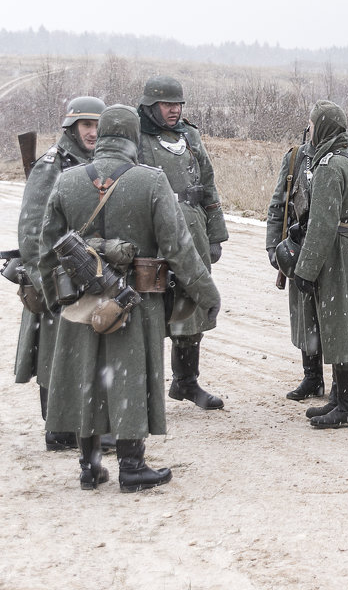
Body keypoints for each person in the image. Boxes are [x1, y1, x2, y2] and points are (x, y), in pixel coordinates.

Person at [38, 104, 221, 491]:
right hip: (135, 300)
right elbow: (180, 251)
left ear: (102, 135)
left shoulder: (67, 180)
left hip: (82, 300)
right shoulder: (151, 181)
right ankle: (132, 466)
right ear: (133, 137)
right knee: (130, 377)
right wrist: (206, 293)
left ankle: (90, 468)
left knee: (89, 375)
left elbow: (45, 251)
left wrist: (56, 299)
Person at [14, 96, 106, 452]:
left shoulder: (96, 162)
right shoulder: (52, 164)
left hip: (86, 271)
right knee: (52, 350)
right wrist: (46, 282)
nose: (93, 132)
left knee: (80, 350)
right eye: (86, 126)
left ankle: (79, 423)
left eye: (98, 126)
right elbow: (33, 229)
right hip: (56, 275)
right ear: (72, 128)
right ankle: (57, 427)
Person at [286, 101, 348, 429]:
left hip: (336, 253)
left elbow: (322, 225)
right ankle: (341, 400)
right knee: (346, 324)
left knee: (339, 326)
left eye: (311, 125)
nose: (308, 131)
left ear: (322, 127)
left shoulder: (328, 166)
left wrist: (305, 270)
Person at [137, 76, 228, 410]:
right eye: (167, 105)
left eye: (177, 104)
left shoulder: (190, 136)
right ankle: (144, 393)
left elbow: (208, 184)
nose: (174, 110)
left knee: (191, 305)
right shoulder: (136, 136)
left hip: (193, 230)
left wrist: (215, 234)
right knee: (149, 309)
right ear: (150, 105)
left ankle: (186, 383)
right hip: (152, 234)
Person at [265, 136, 324, 401]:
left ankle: (344, 380)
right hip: (299, 246)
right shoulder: (296, 158)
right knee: (304, 315)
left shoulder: (342, 156)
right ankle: (312, 378)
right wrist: (272, 247)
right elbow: (279, 204)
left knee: (333, 315)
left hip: (331, 246)